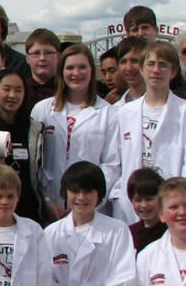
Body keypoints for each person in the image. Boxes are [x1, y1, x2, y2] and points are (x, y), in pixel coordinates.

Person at [110, 41, 186, 224]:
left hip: (170, 200)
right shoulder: (124, 113)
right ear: (142, 69)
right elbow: (115, 160)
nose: (156, 70)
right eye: (151, 64)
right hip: (131, 202)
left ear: (174, 72)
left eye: (163, 65)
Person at [29, 44, 119, 222]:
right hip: (51, 207)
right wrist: (45, 200)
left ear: (92, 71)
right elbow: (35, 163)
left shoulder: (109, 113)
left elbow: (111, 165)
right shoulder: (42, 110)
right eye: (70, 67)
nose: (76, 73)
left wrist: (88, 202)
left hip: (93, 209)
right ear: (61, 71)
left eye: (82, 67)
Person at [0, 68, 42, 224]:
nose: (13, 95)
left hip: (27, 207)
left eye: (18, 90)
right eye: (6, 89)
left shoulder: (35, 128)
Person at [126, 168, 166, 253]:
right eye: (138, 200)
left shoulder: (170, 230)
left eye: (149, 199)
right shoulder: (129, 233)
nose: (144, 205)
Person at [23, 29, 61, 106]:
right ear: (27, 58)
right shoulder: (21, 91)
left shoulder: (68, 91)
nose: (42, 58)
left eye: (48, 53)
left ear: (58, 57)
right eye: (36, 53)